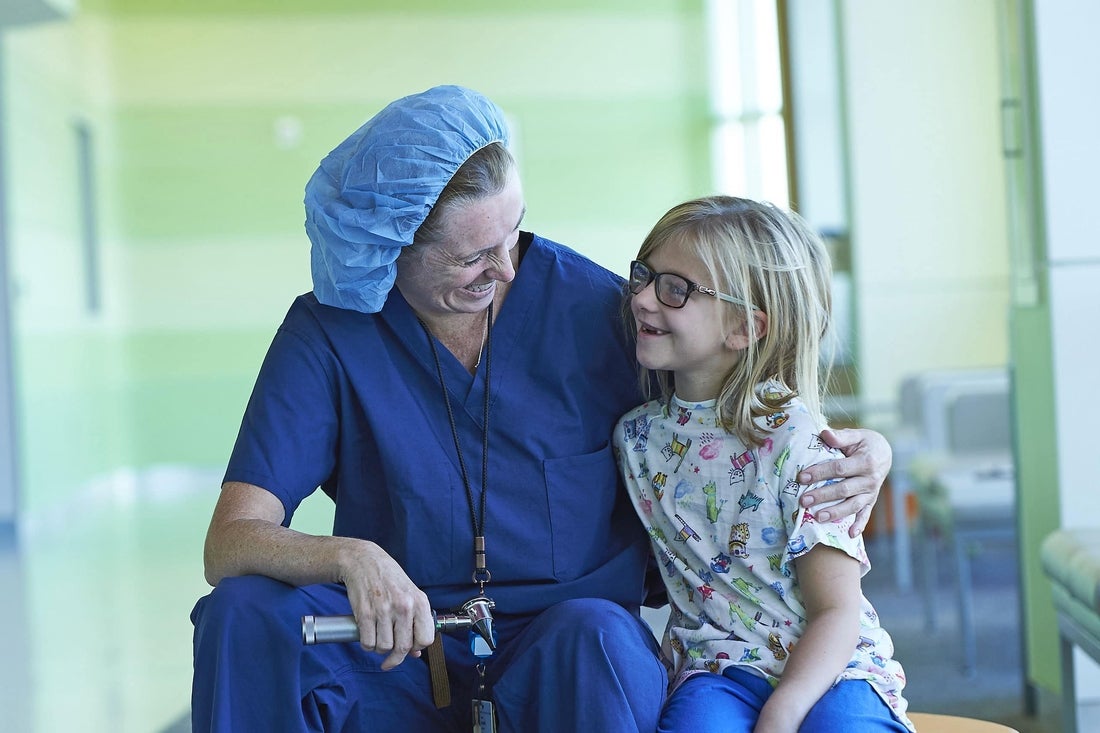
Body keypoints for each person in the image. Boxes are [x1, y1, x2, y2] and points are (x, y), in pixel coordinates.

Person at [191, 85, 893, 733]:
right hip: (396, 647)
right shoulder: (330, 332)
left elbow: (732, 403)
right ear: (389, 249)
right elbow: (231, 542)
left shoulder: (600, 311)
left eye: (513, 235)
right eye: (473, 256)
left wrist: (869, 448)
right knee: (243, 612)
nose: (505, 270)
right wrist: (347, 556)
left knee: (597, 635)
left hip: (562, 654)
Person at [613, 195, 913, 733]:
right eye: (643, 275)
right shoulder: (634, 440)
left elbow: (837, 611)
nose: (641, 300)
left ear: (745, 329)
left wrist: (784, 711)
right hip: (719, 669)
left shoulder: (801, 446)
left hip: (834, 668)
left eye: (674, 289)